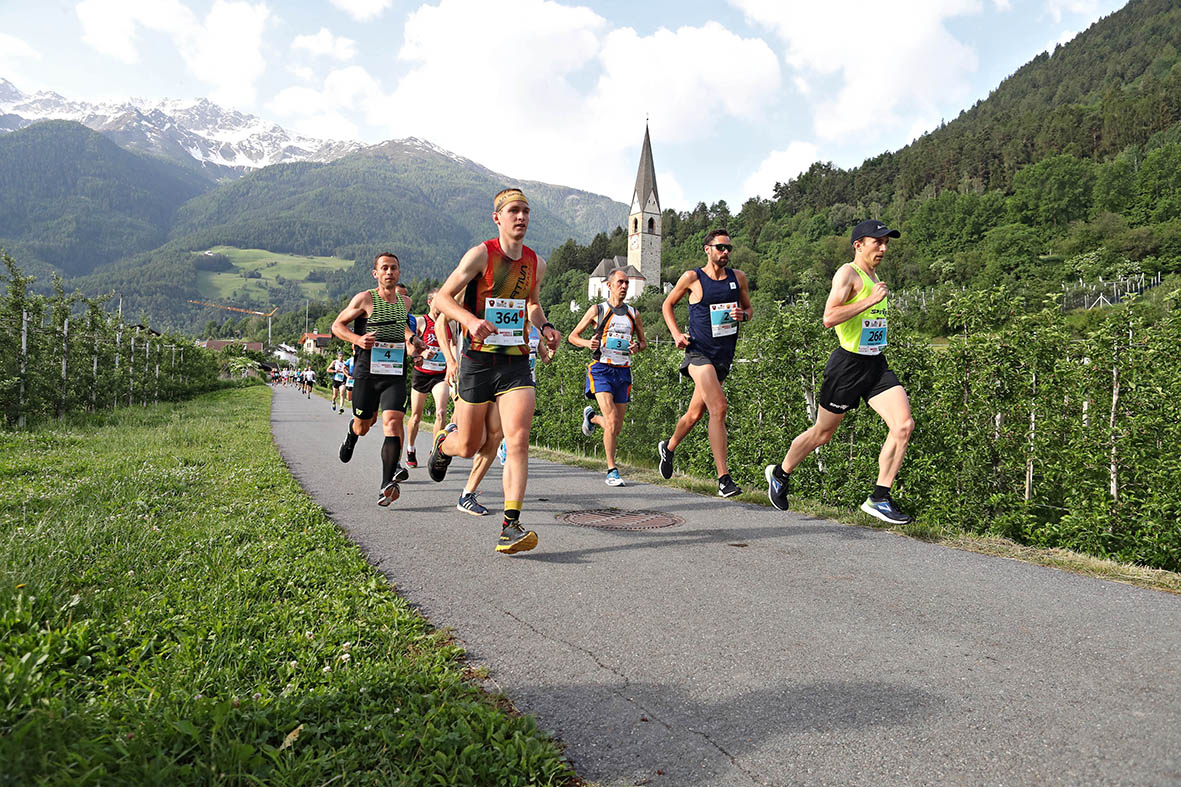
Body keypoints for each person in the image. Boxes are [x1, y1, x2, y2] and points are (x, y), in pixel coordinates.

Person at [427, 188, 561, 553]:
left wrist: (545, 327)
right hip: (478, 360)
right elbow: (441, 299)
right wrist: (470, 320)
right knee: (469, 445)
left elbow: (532, 303)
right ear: (497, 218)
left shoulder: (536, 263)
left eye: (526, 212)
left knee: (516, 438)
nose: (521, 217)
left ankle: (511, 526)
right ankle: (443, 443)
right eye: (514, 211)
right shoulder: (481, 255)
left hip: (515, 360)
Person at [765, 220, 915, 523]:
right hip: (847, 366)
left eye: (887, 243)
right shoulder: (848, 273)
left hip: (875, 363)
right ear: (859, 245)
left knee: (904, 425)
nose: (884, 248)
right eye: (878, 242)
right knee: (823, 433)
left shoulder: (874, 275)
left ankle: (879, 498)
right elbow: (829, 317)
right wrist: (871, 300)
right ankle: (780, 473)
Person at [656, 228, 752, 498]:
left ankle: (669, 446)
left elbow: (749, 310)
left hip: (723, 356)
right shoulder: (692, 277)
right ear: (707, 249)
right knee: (719, 408)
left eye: (728, 248)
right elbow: (667, 305)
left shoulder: (738, 279)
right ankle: (723, 479)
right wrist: (676, 334)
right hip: (698, 354)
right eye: (720, 247)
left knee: (695, 414)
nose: (725, 253)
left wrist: (742, 315)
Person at [331, 252, 425, 506]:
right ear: (376, 273)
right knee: (364, 424)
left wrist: (412, 340)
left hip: (394, 372)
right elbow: (337, 326)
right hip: (366, 372)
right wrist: (357, 339)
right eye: (384, 268)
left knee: (393, 423)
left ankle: (386, 485)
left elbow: (401, 325)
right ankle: (351, 434)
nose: (389, 272)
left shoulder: (404, 302)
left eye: (394, 268)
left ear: (399, 272)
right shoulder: (365, 299)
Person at [569, 268, 647, 486]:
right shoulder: (598, 310)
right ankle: (612, 470)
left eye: (626, 283)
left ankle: (592, 418)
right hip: (601, 369)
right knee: (612, 421)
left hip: (623, 371)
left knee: (616, 427)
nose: (624, 286)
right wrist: (588, 343)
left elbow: (643, 343)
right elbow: (573, 336)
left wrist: (636, 347)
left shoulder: (634, 314)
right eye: (620, 282)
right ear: (609, 285)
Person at [404, 290, 451, 468]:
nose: (440, 307)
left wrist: (453, 364)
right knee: (416, 416)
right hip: (422, 373)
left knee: (441, 412)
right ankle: (410, 448)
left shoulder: (449, 323)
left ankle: (434, 452)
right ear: (429, 302)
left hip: (440, 375)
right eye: (437, 303)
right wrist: (422, 352)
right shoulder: (422, 321)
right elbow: (411, 343)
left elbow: (454, 345)